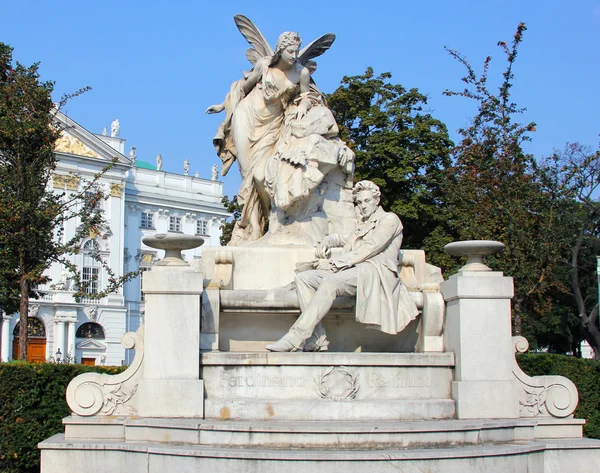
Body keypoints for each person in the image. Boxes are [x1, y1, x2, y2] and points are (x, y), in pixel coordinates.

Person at [266, 180, 419, 352]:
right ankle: (317, 339)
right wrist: (327, 240)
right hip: (355, 271)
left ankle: (295, 337)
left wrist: (333, 264)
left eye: (367, 201)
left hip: (375, 272)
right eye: (359, 202)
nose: (363, 206)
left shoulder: (389, 220)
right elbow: (346, 239)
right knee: (304, 278)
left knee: (331, 282)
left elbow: (370, 248)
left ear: (377, 200)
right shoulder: (364, 225)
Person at [207, 31, 313, 244]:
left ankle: (273, 220)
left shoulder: (301, 72)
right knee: (248, 176)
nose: (293, 55)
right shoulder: (264, 65)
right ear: (280, 50)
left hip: (272, 126)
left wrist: (303, 103)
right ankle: (255, 228)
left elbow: (307, 95)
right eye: (289, 51)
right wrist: (222, 106)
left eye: (296, 51)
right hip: (246, 117)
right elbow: (243, 87)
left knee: (261, 176)